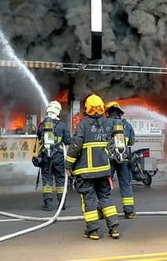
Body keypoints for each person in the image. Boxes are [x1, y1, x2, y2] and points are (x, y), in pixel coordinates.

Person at [65, 94, 120, 240]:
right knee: (106, 198)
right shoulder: (109, 124)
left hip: (86, 171)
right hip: (103, 170)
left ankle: (93, 231)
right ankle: (114, 228)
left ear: (87, 109)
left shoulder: (83, 125)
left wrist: (68, 164)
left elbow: (75, 146)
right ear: (102, 108)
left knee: (89, 200)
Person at [35, 100, 72, 211]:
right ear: (58, 112)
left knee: (47, 179)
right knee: (60, 179)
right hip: (59, 157)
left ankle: (48, 204)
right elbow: (68, 141)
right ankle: (62, 203)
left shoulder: (42, 125)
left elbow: (38, 137)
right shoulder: (62, 125)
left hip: (45, 156)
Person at [105, 101, 137, 219]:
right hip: (124, 158)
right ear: (120, 113)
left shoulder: (105, 124)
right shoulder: (127, 125)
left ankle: (103, 211)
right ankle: (129, 212)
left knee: (105, 185)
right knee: (126, 184)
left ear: (108, 113)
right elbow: (132, 142)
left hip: (109, 159)